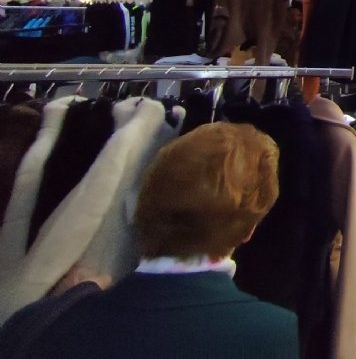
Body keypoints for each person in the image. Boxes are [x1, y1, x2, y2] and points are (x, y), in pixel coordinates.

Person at [0, 123, 298, 359]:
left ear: (144, 207)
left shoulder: (35, 324)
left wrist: (71, 301)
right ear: (248, 231)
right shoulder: (269, 332)